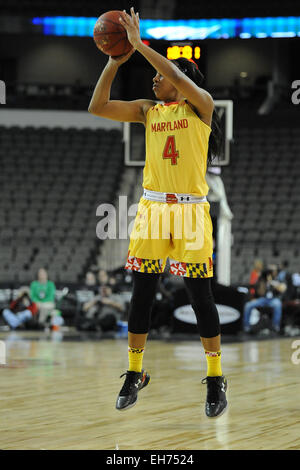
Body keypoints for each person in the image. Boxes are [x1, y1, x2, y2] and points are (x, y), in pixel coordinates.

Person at [88, 7, 226, 418]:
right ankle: (135, 371)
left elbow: (179, 77)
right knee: (142, 293)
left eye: (161, 75)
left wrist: (140, 45)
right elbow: (98, 106)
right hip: (152, 209)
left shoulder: (201, 107)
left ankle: (216, 378)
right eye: (154, 74)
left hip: (191, 213)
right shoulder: (149, 111)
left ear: (181, 84)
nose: (154, 77)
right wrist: (115, 62)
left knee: (200, 297)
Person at [243, 267, 287, 334]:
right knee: (248, 305)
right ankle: (247, 327)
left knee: (278, 304)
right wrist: (263, 280)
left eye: (273, 270)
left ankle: (275, 326)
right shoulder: (263, 278)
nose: (272, 272)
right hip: (263, 299)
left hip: (273, 299)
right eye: (271, 271)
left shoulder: (279, 278)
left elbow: (283, 289)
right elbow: (260, 292)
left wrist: (272, 282)